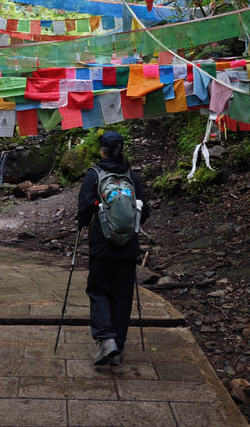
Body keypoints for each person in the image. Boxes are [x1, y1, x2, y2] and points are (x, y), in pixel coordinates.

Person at [77, 130, 150, 366]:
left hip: (101, 246)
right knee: (122, 295)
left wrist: (82, 223)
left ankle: (105, 338)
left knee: (98, 290)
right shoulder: (131, 176)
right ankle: (117, 345)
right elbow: (144, 211)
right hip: (128, 247)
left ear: (103, 150)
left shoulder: (95, 175)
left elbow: (85, 209)